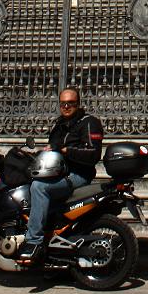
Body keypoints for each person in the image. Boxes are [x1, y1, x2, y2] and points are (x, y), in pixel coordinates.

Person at [18, 87, 103, 264]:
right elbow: (52, 149)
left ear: (78, 104)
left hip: (77, 174)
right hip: (56, 172)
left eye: (70, 103)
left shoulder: (89, 122)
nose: (66, 106)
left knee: (39, 188)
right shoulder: (59, 125)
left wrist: (65, 150)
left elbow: (93, 154)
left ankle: (33, 242)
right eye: (63, 103)